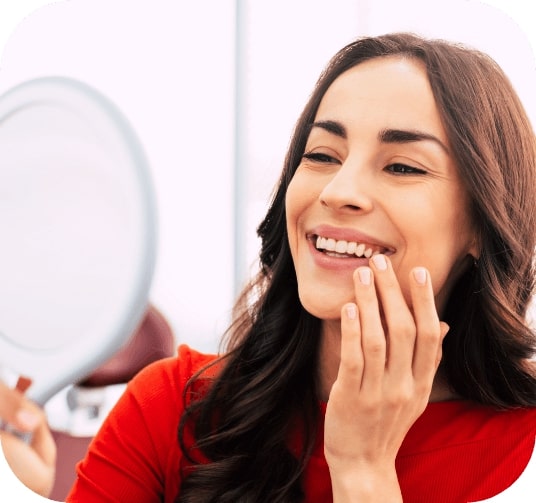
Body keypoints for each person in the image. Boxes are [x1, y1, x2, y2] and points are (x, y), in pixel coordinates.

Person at [1, 32, 536, 502]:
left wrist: (364, 472)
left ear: (482, 226)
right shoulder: (169, 409)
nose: (339, 190)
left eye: (401, 166)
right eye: (322, 155)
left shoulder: (523, 452)